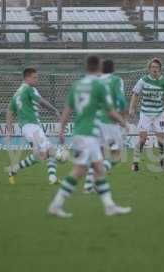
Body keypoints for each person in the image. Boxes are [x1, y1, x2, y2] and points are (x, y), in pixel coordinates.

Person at [48, 55, 131, 218]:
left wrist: (62, 130)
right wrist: (124, 122)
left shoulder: (77, 85)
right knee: (79, 170)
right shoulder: (99, 85)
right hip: (89, 134)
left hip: (80, 132)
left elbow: (67, 110)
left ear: (86, 67)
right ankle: (55, 205)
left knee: (99, 169)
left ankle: (109, 206)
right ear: (99, 67)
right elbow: (110, 111)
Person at [6, 67, 61, 185]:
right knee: (52, 152)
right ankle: (55, 174)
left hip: (29, 127)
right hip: (31, 126)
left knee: (40, 155)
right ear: (26, 78)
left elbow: (10, 112)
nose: (37, 80)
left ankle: (13, 169)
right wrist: (55, 110)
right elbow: (41, 102)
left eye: (37, 77)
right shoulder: (29, 88)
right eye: (34, 77)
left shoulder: (17, 93)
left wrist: (9, 130)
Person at [83, 59, 127, 193]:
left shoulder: (95, 81)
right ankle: (97, 179)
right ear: (113, 69)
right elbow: (120, 99)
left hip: (95, 121)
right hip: (110, 121)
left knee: (98, 155)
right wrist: (123, 118)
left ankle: (88, 186)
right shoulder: (116, 80)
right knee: (117, 155)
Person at [129, 57, 164, 172]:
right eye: (153, 67)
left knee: (161, 140)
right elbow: (135, 94)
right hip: (145, 114)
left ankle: (162, 160)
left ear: (160, 69)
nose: (155, 69)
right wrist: (132, 108)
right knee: (143, 139)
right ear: (149, 69)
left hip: (159, 114)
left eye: (157, 67)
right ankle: (135, 162)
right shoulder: (143, 80)